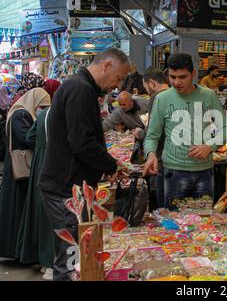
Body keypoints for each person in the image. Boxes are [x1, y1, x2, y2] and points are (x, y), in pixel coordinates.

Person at [38, 48, 131, 281]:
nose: (117, 85)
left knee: (75, 254)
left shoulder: (81, 87)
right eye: (119, 78)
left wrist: (108, 165)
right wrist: (111, 167)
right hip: (65, 189)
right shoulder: (80, 89)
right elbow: (81, 142)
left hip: (70, 187)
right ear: (106, 66)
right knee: (71, 258)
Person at [143, 53, 225, 209]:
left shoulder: (209, 96)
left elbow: (225, 129)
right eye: (172, 77)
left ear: (193, 74)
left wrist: (210, 146)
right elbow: (152, 136)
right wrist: (151, 154)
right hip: (173, 173)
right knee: (174, 226)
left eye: (182, 77)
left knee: (204, 226)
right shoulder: (162, 99)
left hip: (204, 173)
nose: (176, 82)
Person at [15, 80, 61, 281]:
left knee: (41, 214)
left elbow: (31, 137)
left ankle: (45, 263)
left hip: (39, 167)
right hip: (55, 168)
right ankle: (52, 263)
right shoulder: (62, 116)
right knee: (55, 216)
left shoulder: (42, 116)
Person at [0, 88, 51, 260]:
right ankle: (16, 250)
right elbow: (27, 138)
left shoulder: (19, 112)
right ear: (34, 102)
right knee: (17, 209)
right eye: (42, 106)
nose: (43, 110)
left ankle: (18, 250)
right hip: (19, 168)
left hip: (18, 166)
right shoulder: (21, 114)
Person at [140, 68, 170, 208]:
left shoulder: (157, 97)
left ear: (151, 83)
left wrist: (140, 134)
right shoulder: (175, 95)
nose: (147, 91)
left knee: (160, 204)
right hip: (175, 159)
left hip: (160, 157)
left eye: (145, 87)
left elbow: (152, 132)